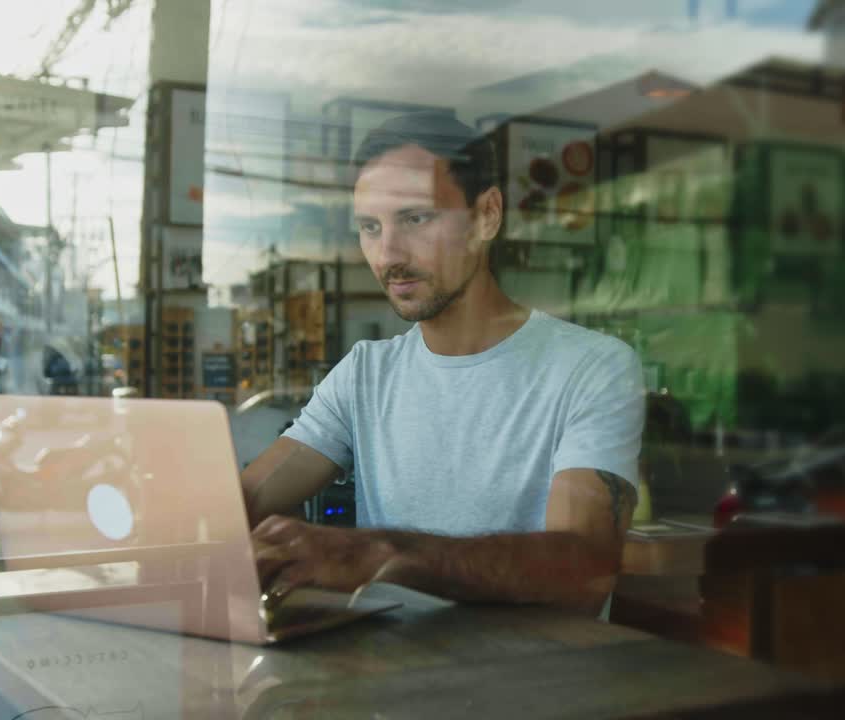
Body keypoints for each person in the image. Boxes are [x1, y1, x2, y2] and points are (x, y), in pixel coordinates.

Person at [242, 113, 644, 615]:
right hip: (386, 678)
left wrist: (376, 554)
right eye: (370, 227)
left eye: (415, 218)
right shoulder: (366, 373)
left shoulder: (592, 368)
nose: (388, 254)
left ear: (487, 216)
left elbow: (582, 567)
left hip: (536, 683)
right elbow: (248, 496)